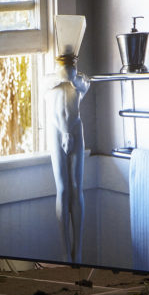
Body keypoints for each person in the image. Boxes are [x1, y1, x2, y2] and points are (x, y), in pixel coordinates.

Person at [45, 53, 90, 263]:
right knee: (62, 189)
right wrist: (62, 73)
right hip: (56, 130)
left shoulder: (79, 80)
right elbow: (52, 81)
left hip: (75, 129)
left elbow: (82, 85)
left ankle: (78, 250)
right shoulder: (50, 81)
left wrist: (71, 75)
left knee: (76, 187)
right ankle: (65, 252)